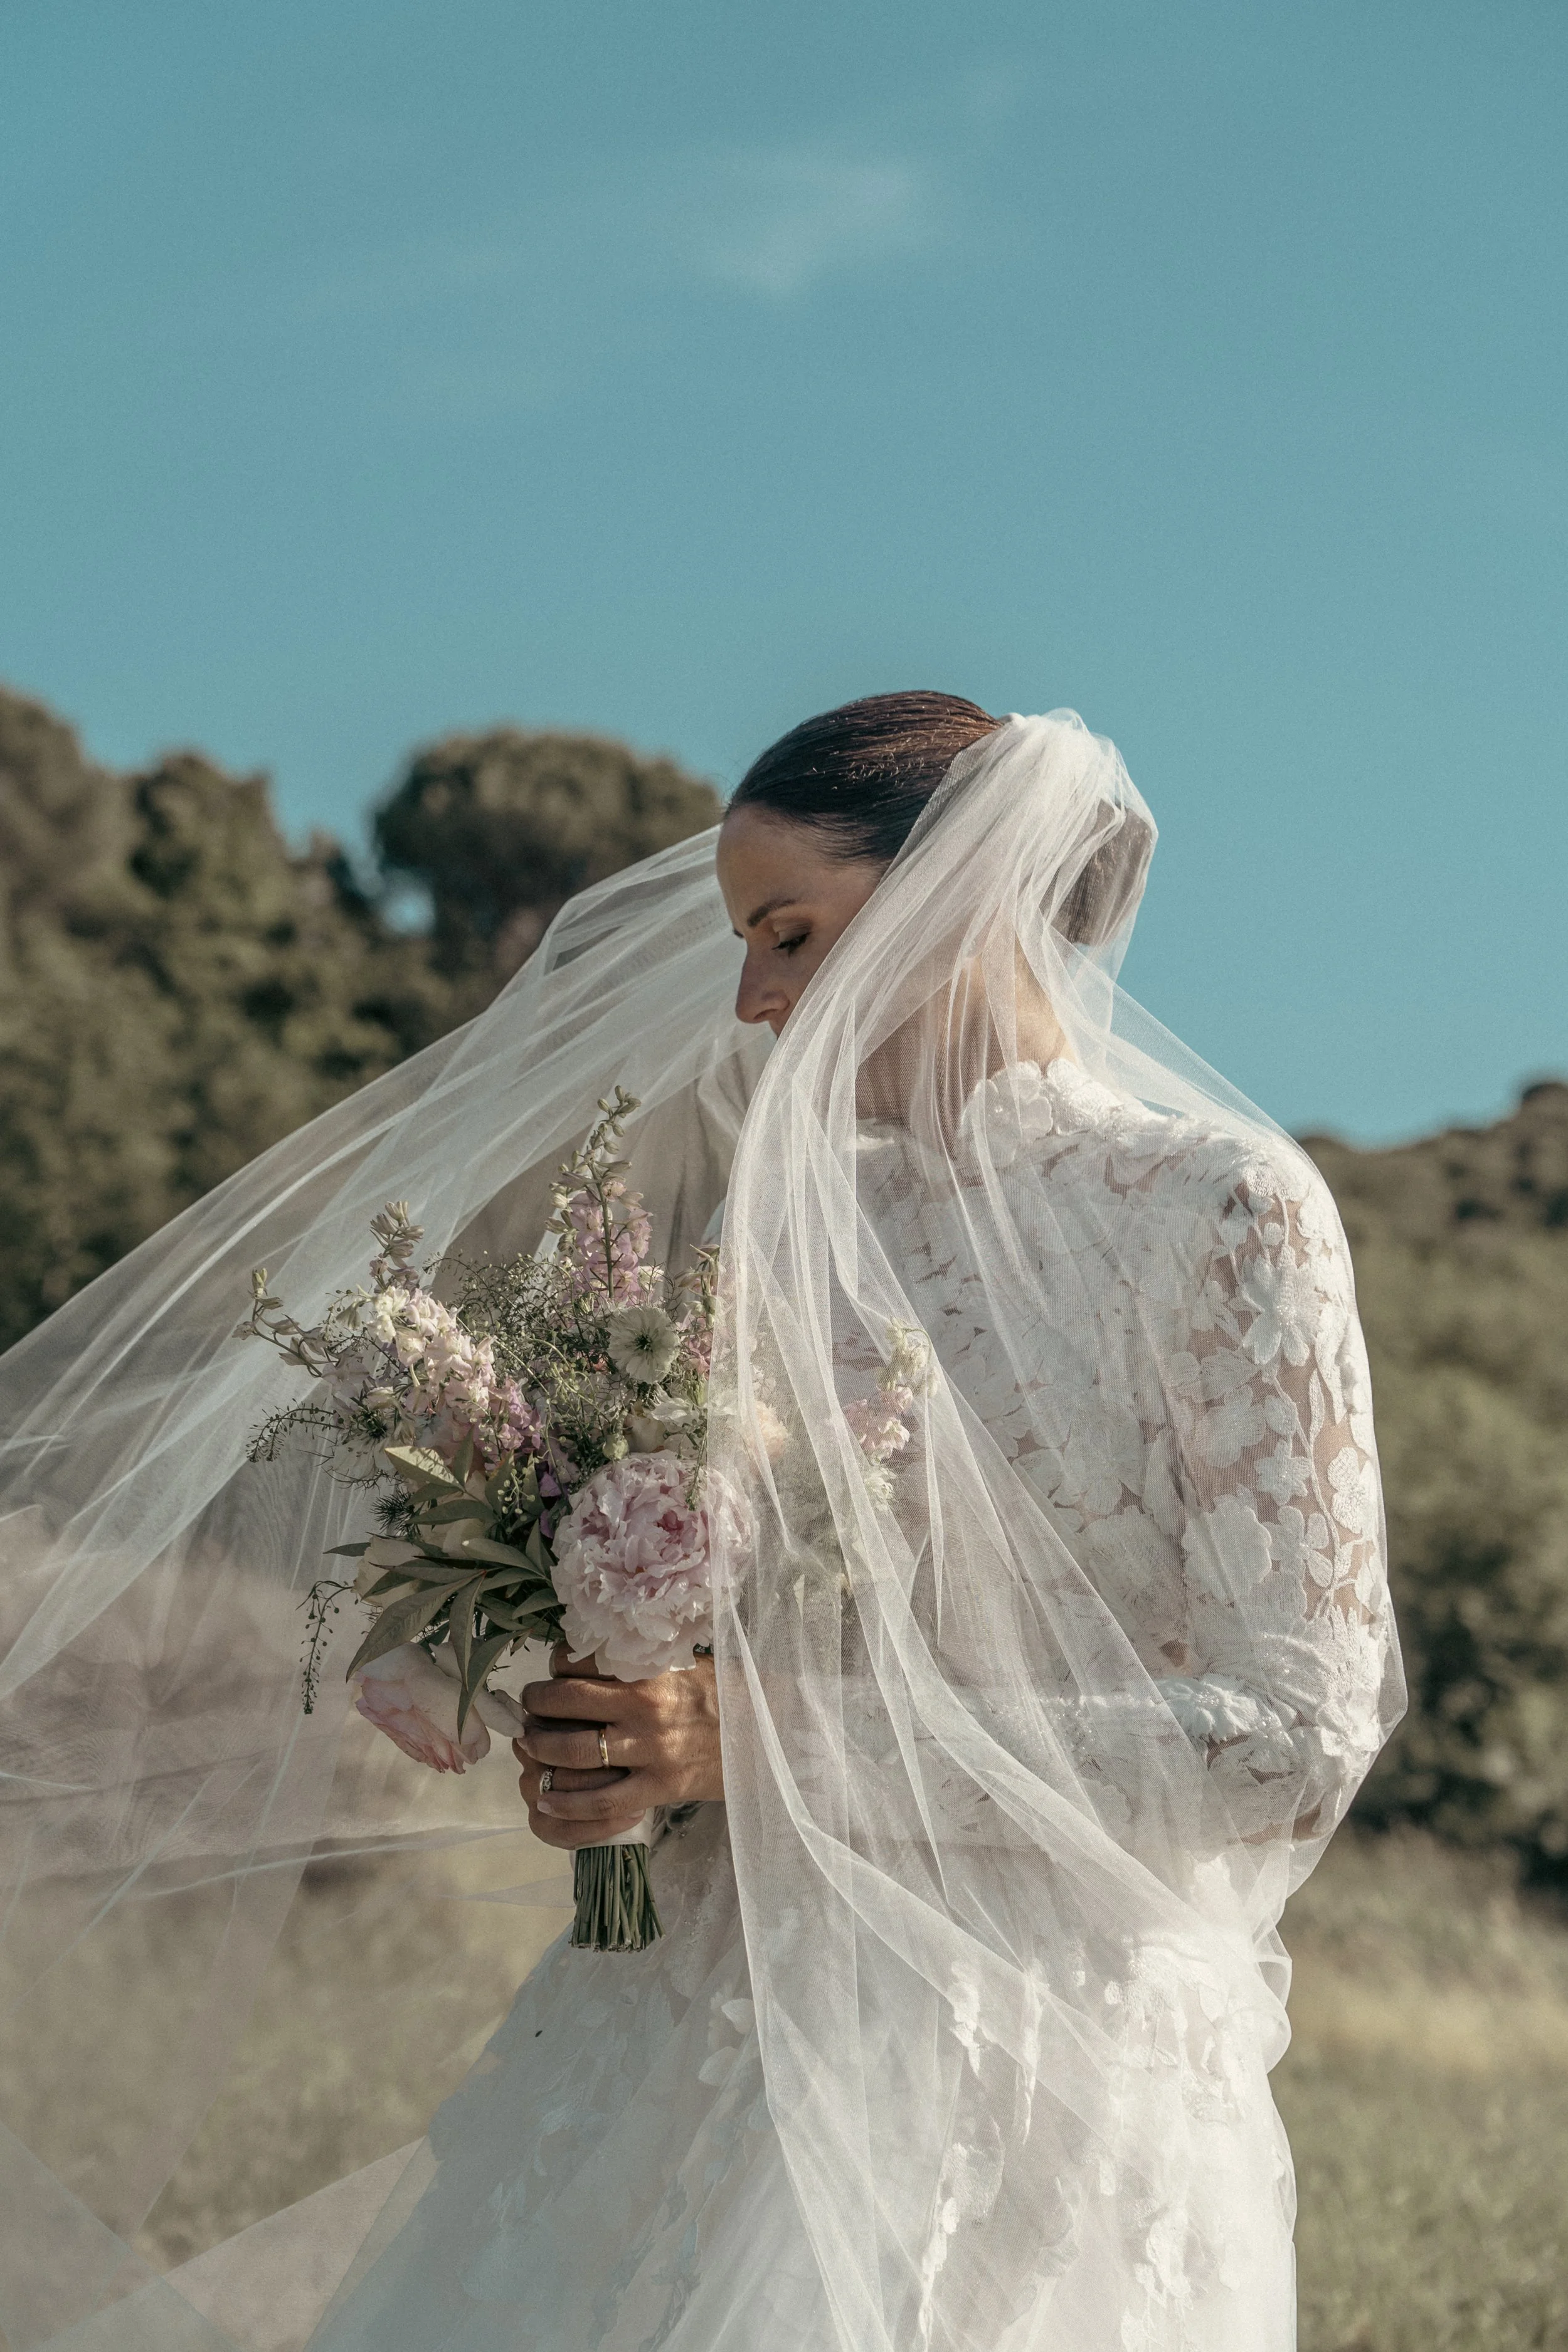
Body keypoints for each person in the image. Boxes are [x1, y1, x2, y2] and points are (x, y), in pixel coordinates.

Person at [0, 697, 1402, 2351]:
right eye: (748, 943)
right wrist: (621, 1729)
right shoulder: (790, 1231)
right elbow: (743, 1626)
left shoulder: (1223, 1211)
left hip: (1042, 2060)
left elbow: (1288, 1740)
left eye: (791, 935)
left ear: (957, 893)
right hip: (706, 2007)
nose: (751, 1003)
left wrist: (759, 1737)